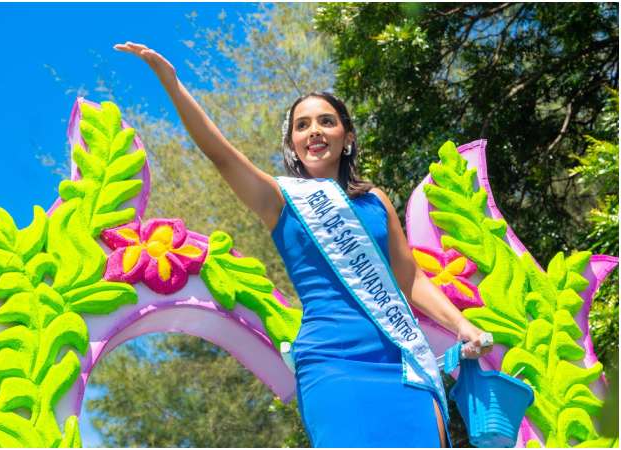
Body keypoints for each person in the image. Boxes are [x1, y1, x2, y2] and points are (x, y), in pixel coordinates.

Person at [114, 41, 493, 448]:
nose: (314, 131)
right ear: (293, 142)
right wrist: (171, 83)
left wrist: (461, 325)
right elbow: (220, 155)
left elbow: (409, 276)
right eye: (302, 125)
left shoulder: (374, 200)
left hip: (403, 361)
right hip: (332, 364)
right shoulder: (279, 199)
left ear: (346, 136)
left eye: (326, 121)